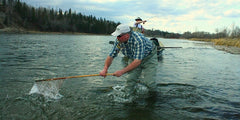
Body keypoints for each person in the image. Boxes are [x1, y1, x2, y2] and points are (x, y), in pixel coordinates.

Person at [99, 24, 157, 98]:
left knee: (150, 83)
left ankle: (154, 97)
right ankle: (127, 96)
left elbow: (137, 61)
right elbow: (111, 55)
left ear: (126, 35)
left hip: (149, 57)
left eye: (119, 36)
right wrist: (105, 69)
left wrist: (121, 71)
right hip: (133, 57)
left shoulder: (139, 39)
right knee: (130, 80)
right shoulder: (118, 41)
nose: (117, 38)